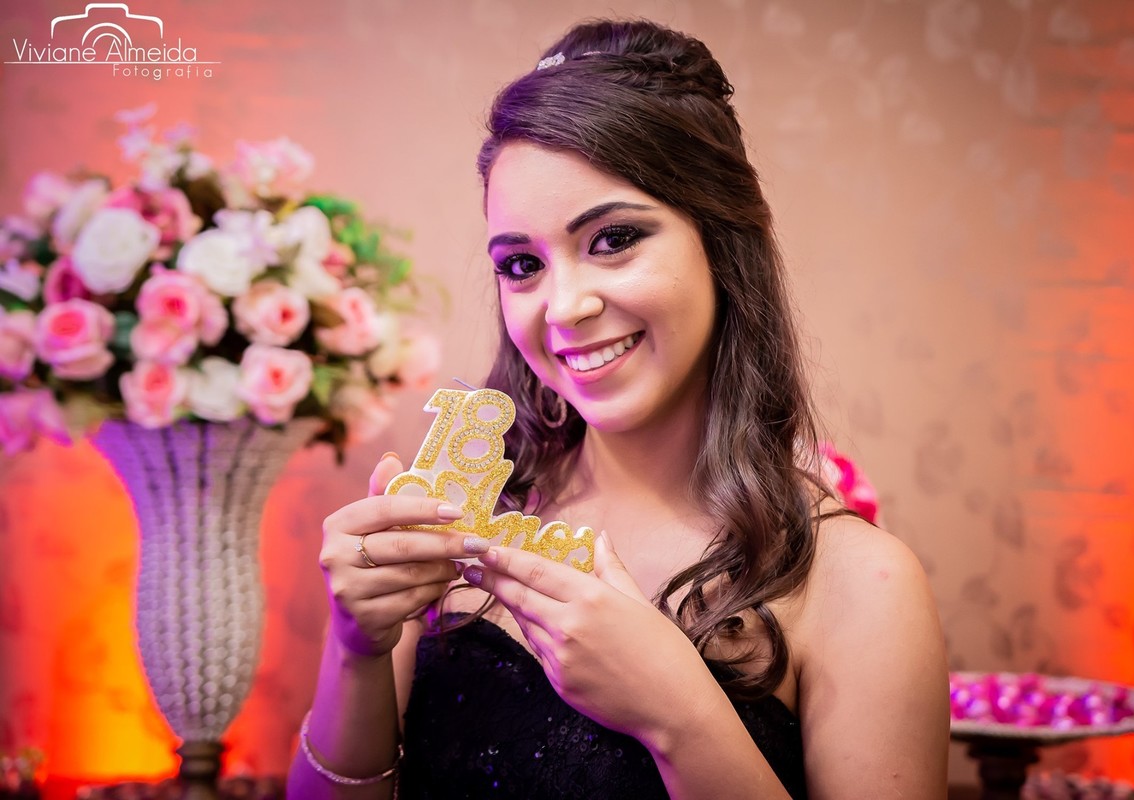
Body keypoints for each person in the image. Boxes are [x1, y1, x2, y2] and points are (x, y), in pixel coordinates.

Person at [288, 18, 948, 800]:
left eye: (613, 239)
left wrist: (678, 716)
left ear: (721, 242)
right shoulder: (451, 527)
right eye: (522, 264)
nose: (564, 306)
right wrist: (356, 649)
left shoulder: (861, 585)